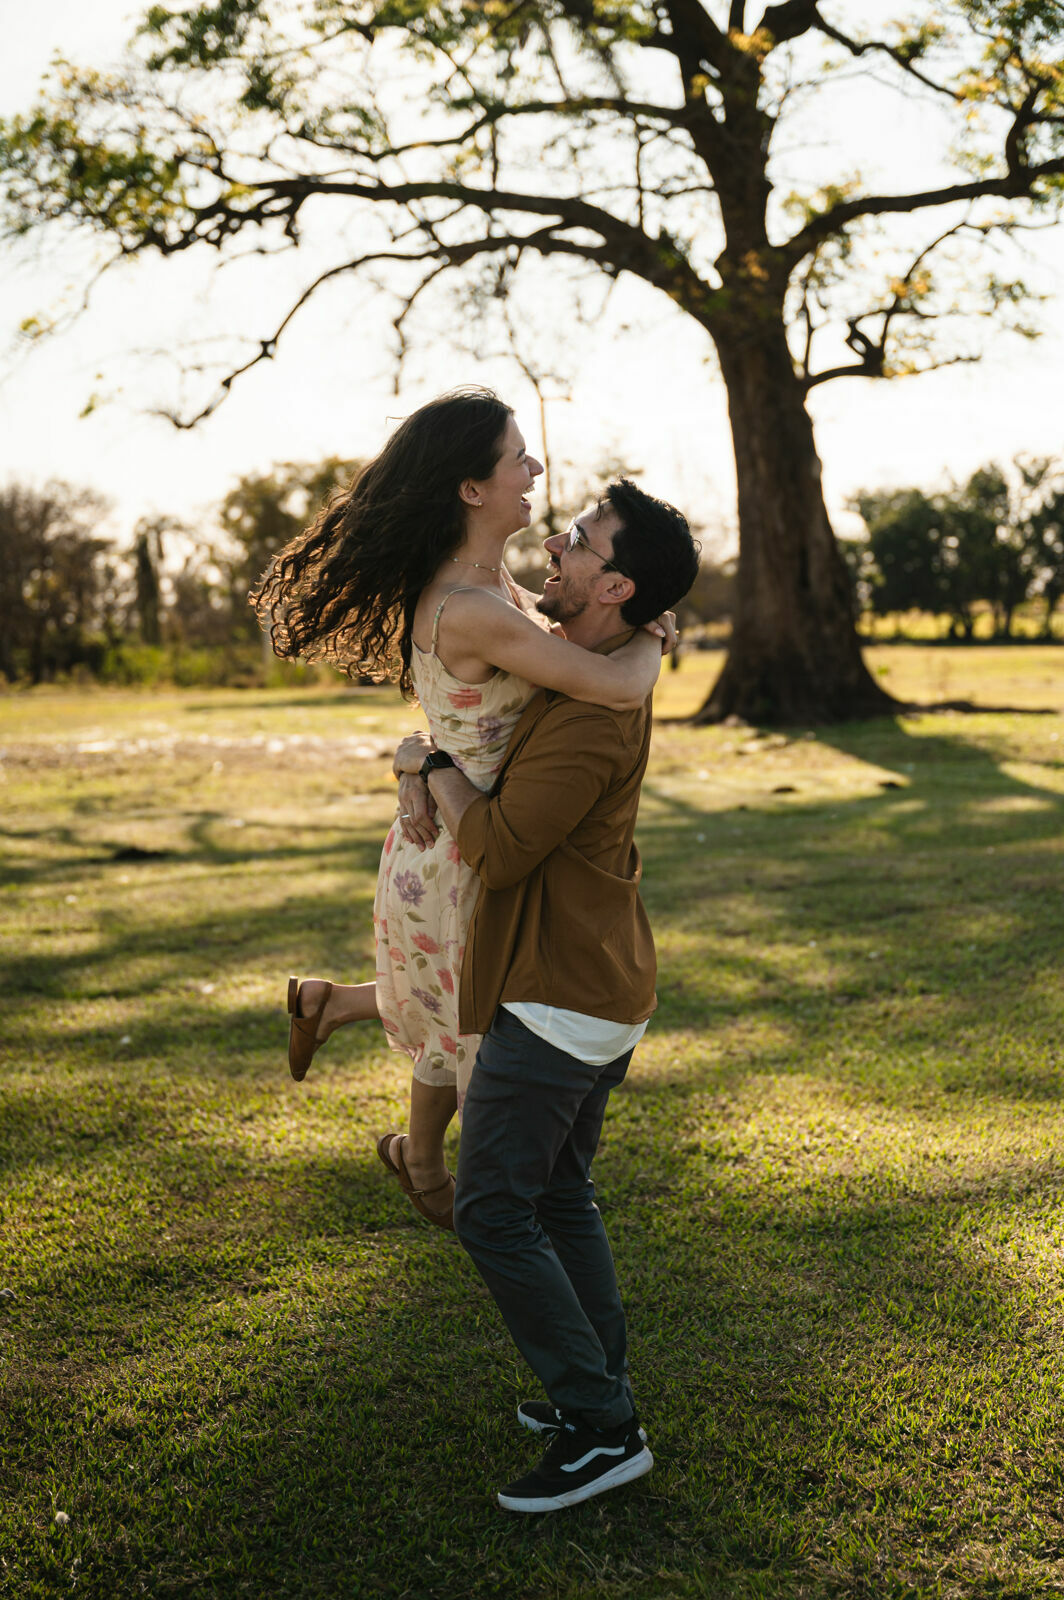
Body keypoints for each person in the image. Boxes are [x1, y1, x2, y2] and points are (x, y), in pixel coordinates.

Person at [251, 388, 673, 1228]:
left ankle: (425, 1153)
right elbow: (614, 686)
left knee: (450, 1010)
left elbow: (463, 713)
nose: (536, 468)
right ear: (472, 488)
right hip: (461, 845)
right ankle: (486, 1210)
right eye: (518, 457)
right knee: (468, 1029)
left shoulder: (493, 587)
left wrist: (418, 757)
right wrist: (655, 637)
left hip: (453, 823)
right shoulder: (474, 608)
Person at [390, 479, 700, 1513]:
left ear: (613, 586)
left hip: (559, 993)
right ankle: (595, 1389)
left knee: (489, 1209)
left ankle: (604, 1428)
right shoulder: (592, 668)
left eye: (577, 540)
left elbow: (500, 847)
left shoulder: (588, 719)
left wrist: (431, 764)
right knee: (561, 1191)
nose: (555, 546)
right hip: (592, 979)